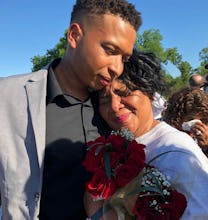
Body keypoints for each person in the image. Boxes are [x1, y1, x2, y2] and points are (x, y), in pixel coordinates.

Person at [0, 0, 142, 219]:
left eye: (124, 58)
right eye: (109, 50)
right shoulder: (8, 96)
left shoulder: (112, 110)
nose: (117, 68)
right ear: (74, 36)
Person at [84, 50, 208, 219]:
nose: (114, 106)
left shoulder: (179, 153)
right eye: (104, 100)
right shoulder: (112, 149)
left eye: (125, 93)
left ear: (149, 92)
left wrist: (99, 214)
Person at [162, 87, 208, 169]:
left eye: (202, 119)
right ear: (178, 115)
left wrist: (207, 147)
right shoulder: (164, 129)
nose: (197, 123)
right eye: (191, 119)